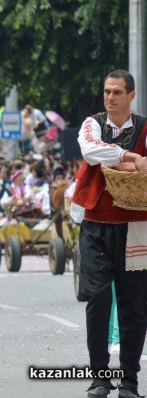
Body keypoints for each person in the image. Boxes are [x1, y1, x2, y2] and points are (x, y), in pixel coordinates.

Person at [71, 69, 147, 398]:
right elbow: (91, 151)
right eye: (106, 91)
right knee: (97, 300)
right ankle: (100, 378)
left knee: (134, 305)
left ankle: (129, 381)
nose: (110, 97)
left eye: (117, 92)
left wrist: (129, 165)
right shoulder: (92, 124)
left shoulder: (145, 126)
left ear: (131, 96)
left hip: (136, 226)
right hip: (96, 224)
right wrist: (130, 157)